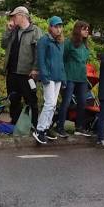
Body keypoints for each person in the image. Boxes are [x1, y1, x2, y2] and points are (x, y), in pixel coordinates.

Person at [2, 6, 41, 130]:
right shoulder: (13, 31)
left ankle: (34, 126)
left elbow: (39, 52)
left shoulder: (35, 31)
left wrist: (35, 68)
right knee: (14, 99)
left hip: (27, 73)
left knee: (31, 100)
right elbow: (3, 44)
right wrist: (8, 31)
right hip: (12, 72)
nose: (12, 19)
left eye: (14, 16)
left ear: (22, 16)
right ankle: (15, 124)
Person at [33, 16, 66, 144]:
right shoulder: (44, 41)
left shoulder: (60, 42)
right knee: (50, 103)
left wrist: (63, 78)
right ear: (50, 27)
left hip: (58, 76)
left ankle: (46, 128)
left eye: (60, 26)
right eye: (56, 26)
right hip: (49, 76)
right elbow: (41, 60)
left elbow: (61, 61)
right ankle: (39, 130)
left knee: (53, 105)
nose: (59, 29)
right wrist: (45, 76)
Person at [58, 20, 91, 136]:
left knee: (82, 102)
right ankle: (60, 127)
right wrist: (63, 76)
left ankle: (79, 127)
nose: (87, 31)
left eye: (87, 29)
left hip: (81, 78)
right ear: (78, 30)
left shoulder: (85, 45)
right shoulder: (68, 43)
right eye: (84, 29)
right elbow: (62, 59)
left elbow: (85, 61)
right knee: (66, 102)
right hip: (69, 77)